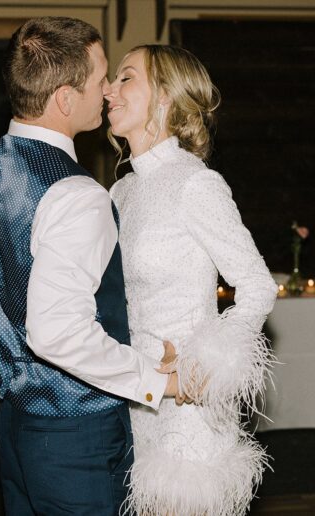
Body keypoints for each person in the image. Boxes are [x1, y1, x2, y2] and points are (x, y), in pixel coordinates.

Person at [0, 19, 180, 516]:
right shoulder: (79, 196)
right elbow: (55, 332)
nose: (108, 89)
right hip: (78, 436)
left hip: (16, 423)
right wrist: (162, 383)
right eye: (100, 78)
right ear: (66, 99)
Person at [106, 44, 278, 516]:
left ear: (163, 98)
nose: (108, 90)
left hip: (189, 410)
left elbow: (257, 284)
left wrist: (205, 367)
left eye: (125, 78)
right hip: (136, 400)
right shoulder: (120, 190)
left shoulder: (194, 183)